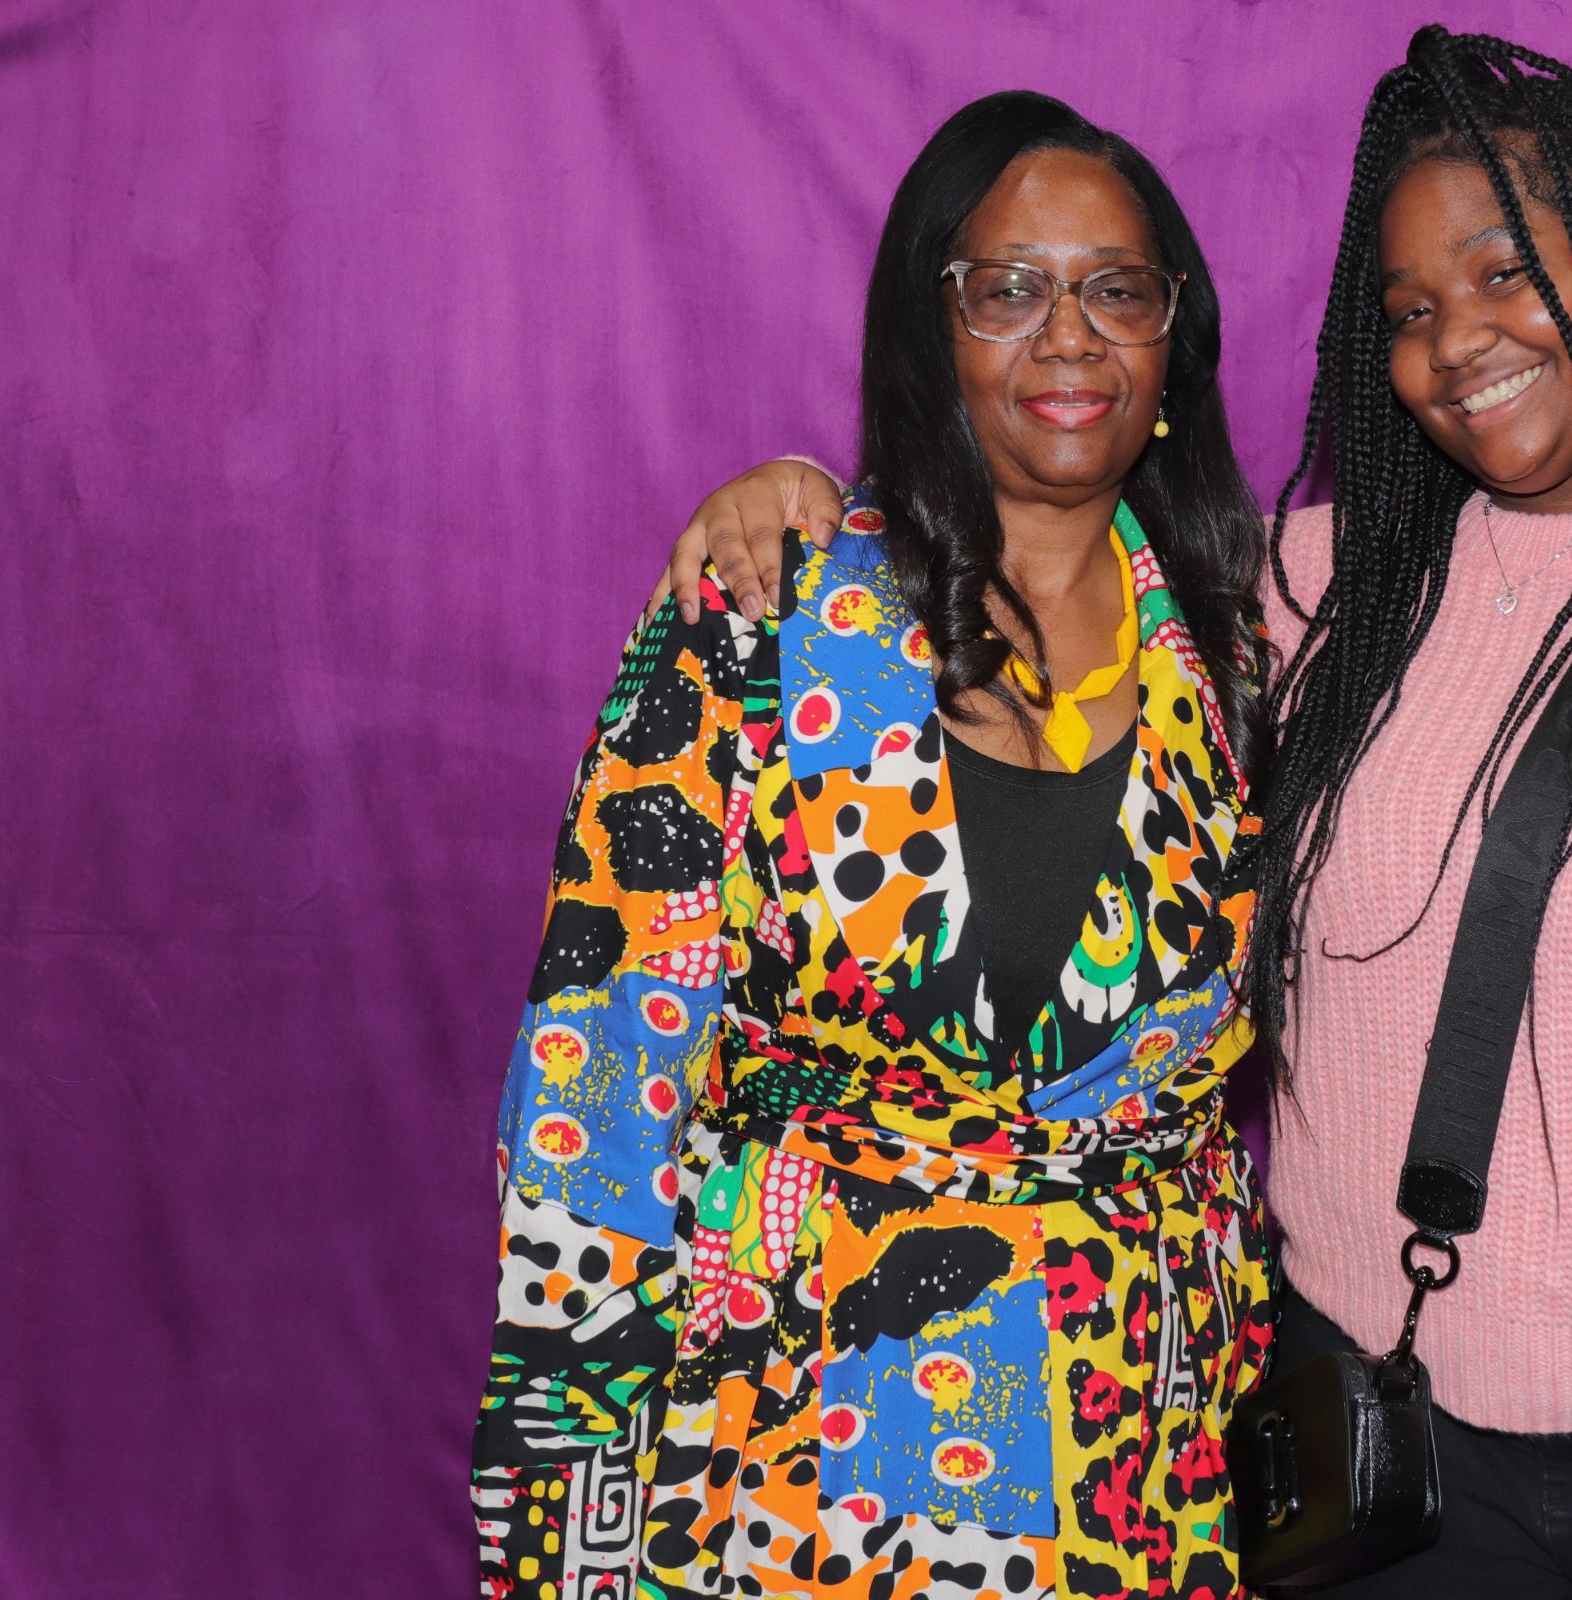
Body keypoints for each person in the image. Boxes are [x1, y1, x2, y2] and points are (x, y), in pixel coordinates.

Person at [659, 26, 1572, 1600]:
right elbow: (1032, 545)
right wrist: (803, 502)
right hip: (1374, 1478)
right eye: (1408, 311)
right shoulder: (1308, 600)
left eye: (1507, 272)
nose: (1460, 340)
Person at [475, 91, 1278, 1600]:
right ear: (931, 328)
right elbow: (595, 1096)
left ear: (1174, 341)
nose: (1069, 337)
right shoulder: (760, 618)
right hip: (783, 1464)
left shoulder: (1245, 660)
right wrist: (567, 1518)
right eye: (1009, 288)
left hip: (1129, 1471)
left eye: (1117, 290)